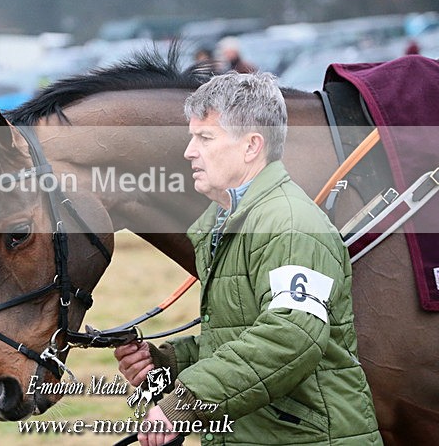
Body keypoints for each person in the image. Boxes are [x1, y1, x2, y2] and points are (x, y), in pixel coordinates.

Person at [115, 72, 382, 445]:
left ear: (251, 146)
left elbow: (291, 336)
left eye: (205, 138)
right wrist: (170, 362)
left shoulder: (289, 224)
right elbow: (242, 336)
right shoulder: (230, 223)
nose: (189, 151)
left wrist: (184, 404)